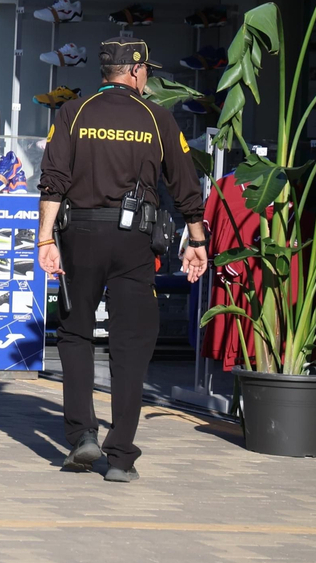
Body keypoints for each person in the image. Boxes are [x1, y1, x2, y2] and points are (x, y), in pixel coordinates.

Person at [37, 37, 208, 483]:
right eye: (147, 69)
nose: (148, 76)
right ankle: (121, 457)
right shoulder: (158, 117)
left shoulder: (73, 113)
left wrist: (44, 240)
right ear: (134, 72)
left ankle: (81, 436)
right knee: (131, 342)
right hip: (135, 241)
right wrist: (196, 238)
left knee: (74, 332)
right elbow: (185, 183)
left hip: (81, 235)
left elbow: (53, 180)